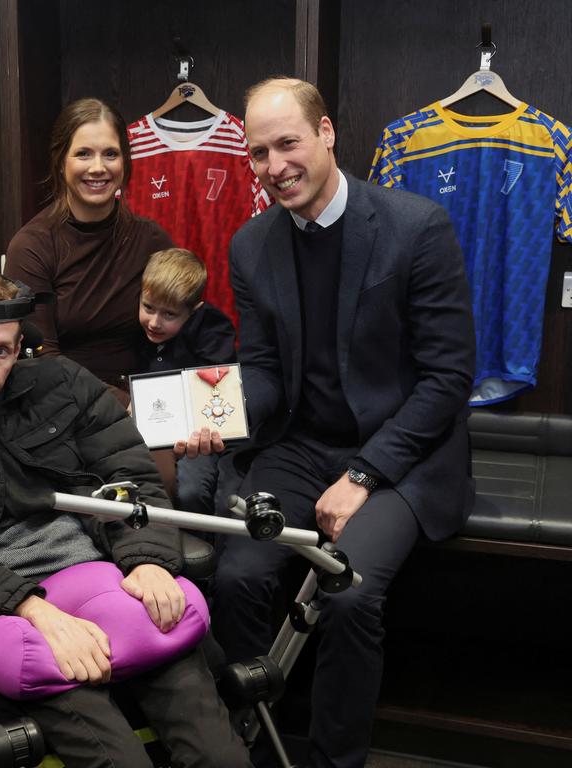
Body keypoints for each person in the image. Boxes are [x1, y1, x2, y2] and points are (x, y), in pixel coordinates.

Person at [0, 266, 251, 768]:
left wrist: (149, 559)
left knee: (221, 758)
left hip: (108, 574)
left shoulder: (62, 384)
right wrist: (33, 609)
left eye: (1, 350)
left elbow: (133, 478)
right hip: (9, 605)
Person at [212, 77, 476, 768]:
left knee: (349, 593)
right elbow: (265, 370)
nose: (274, 168)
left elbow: (449, 379)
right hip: (301, 446)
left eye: (288, 144)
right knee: (237, 575)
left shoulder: (415, 227)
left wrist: (364, 474)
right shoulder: (251, 245)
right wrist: (222, 413)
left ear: (326, 133)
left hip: (402, 458)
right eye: (258, 154)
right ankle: (241, 747)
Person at [4, 98, 173, 398]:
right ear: (60, 161)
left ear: (125, 161)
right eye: (83, 154)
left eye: (110, 154)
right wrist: (123, 407)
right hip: (63, 407)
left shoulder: (152, 241)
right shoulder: (32, 247)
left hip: (149, 402)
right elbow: (41, 362)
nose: (98, 168)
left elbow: (183, 332)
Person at [136, 248, 238, 516]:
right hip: (153, 432)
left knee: (191, 491)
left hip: (199, 433)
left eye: (169, 315)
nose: (155, 323)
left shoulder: (214, 333)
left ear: (194, 311)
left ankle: (203, 550)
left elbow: (218, 397)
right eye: (148, 308)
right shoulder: (137, 330)